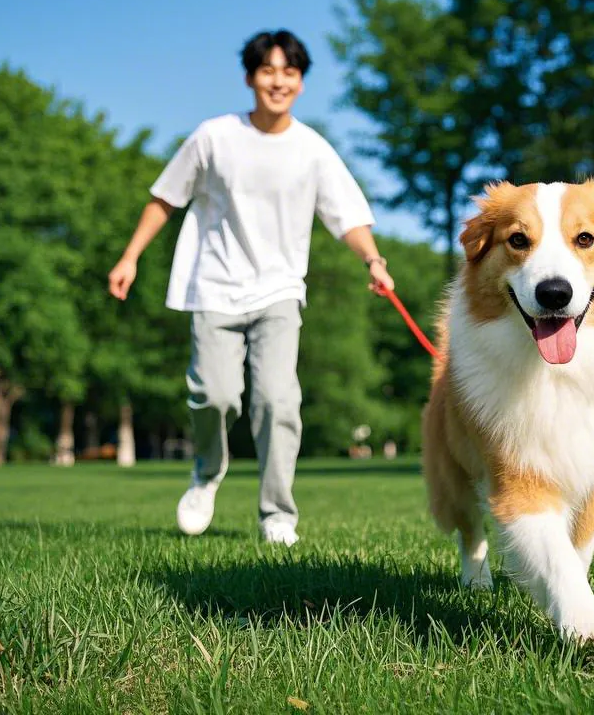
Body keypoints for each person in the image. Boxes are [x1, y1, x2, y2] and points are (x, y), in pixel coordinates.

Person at [107, 29, 395, 545]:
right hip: (214, 285)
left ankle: (276, 514)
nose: (277, 81)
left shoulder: (312, 150)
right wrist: (130, 257)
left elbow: (346, 215)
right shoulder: (214, 137)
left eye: (289, 72)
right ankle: (206, 473)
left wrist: (373, 259)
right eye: (268, 70)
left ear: (301, 83)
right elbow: (165, 198)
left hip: (279, 290)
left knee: (277, 401)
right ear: (249, 77)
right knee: (214, 397)